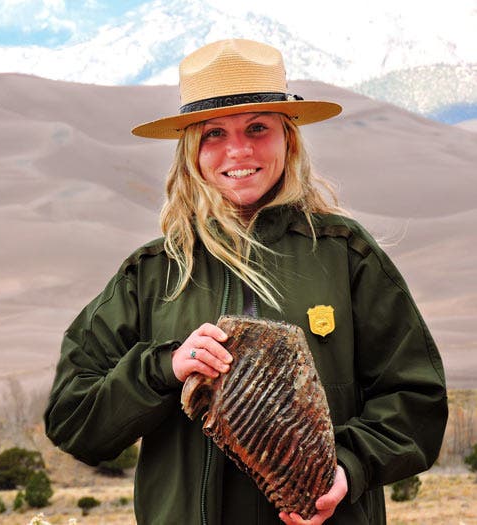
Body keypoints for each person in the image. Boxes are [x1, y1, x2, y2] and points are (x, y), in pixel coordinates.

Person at [44, 39, 448, 524]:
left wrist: (349, 464)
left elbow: (415, 398)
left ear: (288, 139)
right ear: (191, 150)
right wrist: (163, 369)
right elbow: (73, 419)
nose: (238, 150)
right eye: (214, 133)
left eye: (258, 127)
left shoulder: (345, 254)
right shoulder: (152, 272)